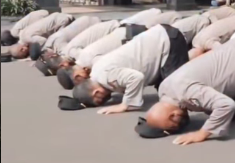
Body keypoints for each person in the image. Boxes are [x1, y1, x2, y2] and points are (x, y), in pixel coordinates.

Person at [59, 24, 189, 113]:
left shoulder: (106, 76)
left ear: (96, 93)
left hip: (167, 41)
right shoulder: (97, 72)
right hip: (162, 37)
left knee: (176, 90)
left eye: (99, 101)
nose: (106, 100)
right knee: (166, 90)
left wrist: (126, 104)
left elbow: (136, 78)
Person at [34, 16, 101, 76]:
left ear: (51, 56)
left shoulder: (58, 46)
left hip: (91, 24)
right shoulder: (50, 42)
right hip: (85, 21)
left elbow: (71, 54)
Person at [9, 12, 74, 60]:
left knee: (58, 42)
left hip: (62, 22)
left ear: (22, 49)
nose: (27, 54)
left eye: (25, 55)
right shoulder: (22, 34)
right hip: (58, 17)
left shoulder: (28, 39)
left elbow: (45, 42)